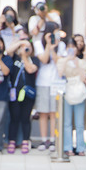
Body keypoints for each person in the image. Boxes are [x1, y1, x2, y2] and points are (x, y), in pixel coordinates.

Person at [34, 21, 65, 152]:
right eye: (55, 31)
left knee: (54, 112)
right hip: (43, 82)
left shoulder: (61, 45)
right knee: (43, 112)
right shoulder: (37, 43)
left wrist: (54, 47)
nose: (56, 34)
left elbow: (59, 61)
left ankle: (53, 140)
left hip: (56, 83)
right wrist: (48, 45)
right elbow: (44, 60)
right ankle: (43, 140)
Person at [6, 39, 39, 154]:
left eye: (28, 47)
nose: (25, 48)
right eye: (23, 47)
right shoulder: (14, 58)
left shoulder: (34, 59)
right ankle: (12, 141)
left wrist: (25, 56)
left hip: (28, 94)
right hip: (15, 93)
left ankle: (25, 141)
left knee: (25, 119)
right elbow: (8, 51)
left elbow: (30, 69)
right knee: (14, 118)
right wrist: (20, 43)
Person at [57, 38, 86, 156]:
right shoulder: (61, 61)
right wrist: (66, 61)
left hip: (79, 90)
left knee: (80, 123)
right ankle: (67, 147)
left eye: (73, 47)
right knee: (67, 122)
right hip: (67, 90)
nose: (71, 50)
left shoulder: (81, 62)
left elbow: (84, 77)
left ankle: (80, 148)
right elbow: (59, 74)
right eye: (69, 47)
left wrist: (76, 64)